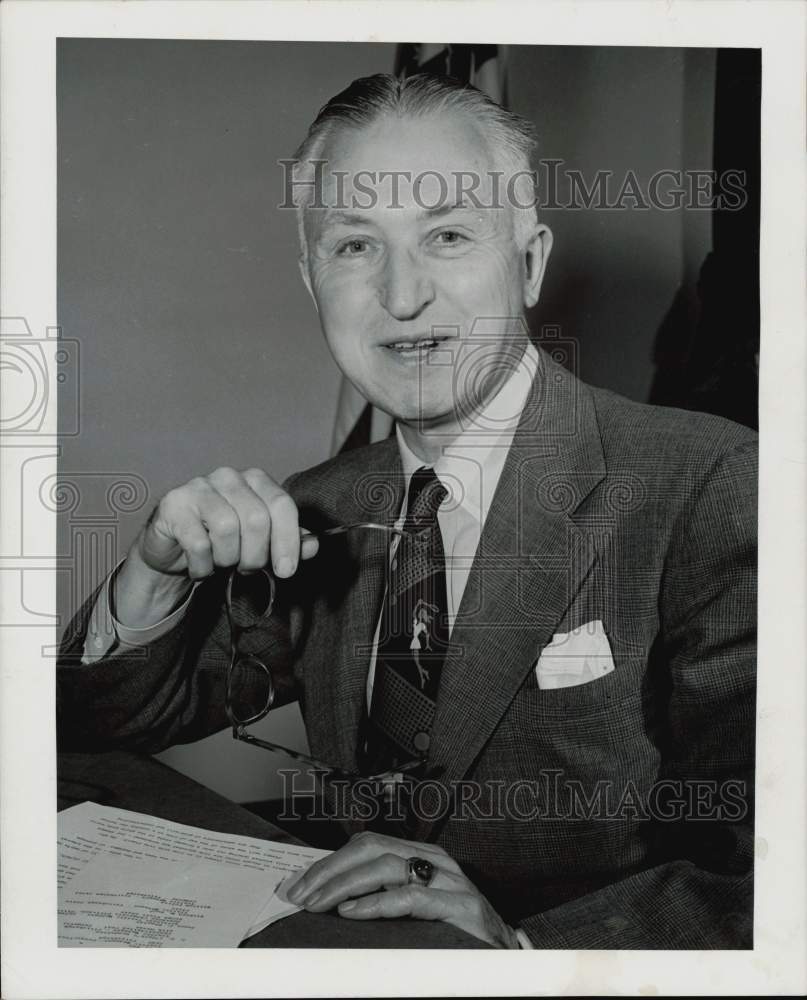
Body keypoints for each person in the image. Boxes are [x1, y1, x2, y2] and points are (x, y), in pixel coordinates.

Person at [57, 73, 757, 949]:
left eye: (449, 235)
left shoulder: (714, 484)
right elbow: (91, 725)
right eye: (354, 247)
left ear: (530, 262)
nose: (400, 296)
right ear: (313, 283)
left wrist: (520, 953)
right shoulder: (318, 505)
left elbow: (764, 874)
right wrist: (151, 577)